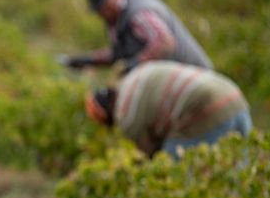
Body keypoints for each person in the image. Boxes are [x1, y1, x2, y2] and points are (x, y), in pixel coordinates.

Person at [84, 61, 252, 158]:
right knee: (244, 167)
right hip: (233, 94)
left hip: (204, 107)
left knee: (174, 172)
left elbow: (150, 155)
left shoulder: (126, 117)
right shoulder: (133, 77)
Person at [63, 0, 213, 73]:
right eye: (99, 9)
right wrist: (88, 60)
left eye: (105, 6)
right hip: (174, 81)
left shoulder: (139, 13)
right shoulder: (115, 18)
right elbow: (121, 54)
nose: (103, 12)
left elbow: (165, 43)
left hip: (196, 77)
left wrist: (134, 64)